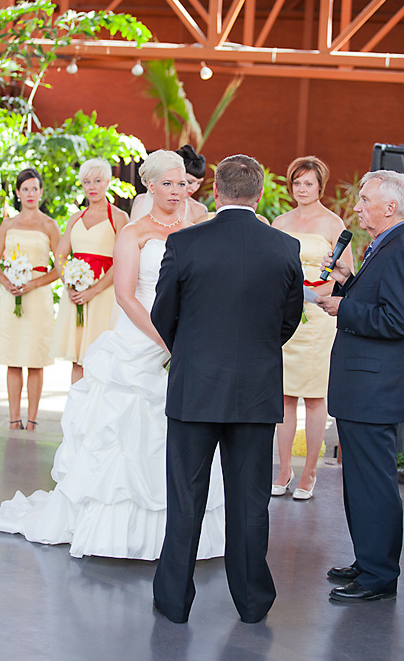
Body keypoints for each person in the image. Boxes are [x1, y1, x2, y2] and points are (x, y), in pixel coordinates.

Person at [0, 150, 226, 560]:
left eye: (181, 183)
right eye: (167, 183)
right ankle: (115, 529)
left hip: (187, 339)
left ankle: (182, 526)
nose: (176, 190)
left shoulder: (197, 230)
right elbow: (125, 294)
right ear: (150, 186)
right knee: (121, 428)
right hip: (141, 338)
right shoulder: (133, 232)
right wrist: (166, 341)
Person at [151, 154, 303, 625]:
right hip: (255, 393)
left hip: (195, 390)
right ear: (259, 194)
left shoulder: (184, 242)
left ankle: (174, 601)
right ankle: (253, 602)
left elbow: (162, 314)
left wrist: (193, 351)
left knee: (185, 499)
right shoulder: (285, 247)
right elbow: (289, 319)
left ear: (214, 191)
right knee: (250, 503)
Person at [314, 170, 404, 603]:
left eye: (364, 200)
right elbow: (378, 301)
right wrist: (347, 284)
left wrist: (342, 308)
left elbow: (399, 320)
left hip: (376, 389)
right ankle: (367, 560)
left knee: (373, 485)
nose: (356, 207)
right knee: (359, 483)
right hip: (364, 388)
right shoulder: (386, 245)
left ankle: (379, 576)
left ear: (389, 207)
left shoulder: (402, 249)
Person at [270, 156, 353, 500]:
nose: (302, 189)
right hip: (285, 318)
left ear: (320, 185)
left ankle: (310, 472)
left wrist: (324, 281)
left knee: (315, 398)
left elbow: (345, 274)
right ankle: (284, 468)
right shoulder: (279, 222)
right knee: (285, 396)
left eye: (308, 183)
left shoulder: (335, 224)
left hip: (318, 318)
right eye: (297, 183)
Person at [0, 168, 60, 430]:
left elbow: (60, 267)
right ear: (18, 193)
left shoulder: (50, 225)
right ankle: (13, 418)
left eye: (35, 188)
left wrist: (33, 283)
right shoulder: (8, 224)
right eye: (25, 189)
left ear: (41, 192)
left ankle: (32, 420)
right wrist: (8, 283)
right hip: (11, 296)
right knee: (14, 358)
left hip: (38, 296)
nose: (30, 194)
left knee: (35, 359)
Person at [50, 158, 129, 383]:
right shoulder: (75, 218)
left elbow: (122, 260)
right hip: (75, 295)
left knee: (102, 355)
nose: (92, 186)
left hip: (104, 294)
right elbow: (60, 255)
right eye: (86, 182)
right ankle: (77, 414)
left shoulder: (119, 217)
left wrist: (93, 291)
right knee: (77, 359)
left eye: (97, 180)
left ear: (107, 182)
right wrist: (69, 282)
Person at [131, 144, 208, 224]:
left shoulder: (199, 210)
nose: (194, 188)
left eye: (199, 183)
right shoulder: (141, 201)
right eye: (189, 182)